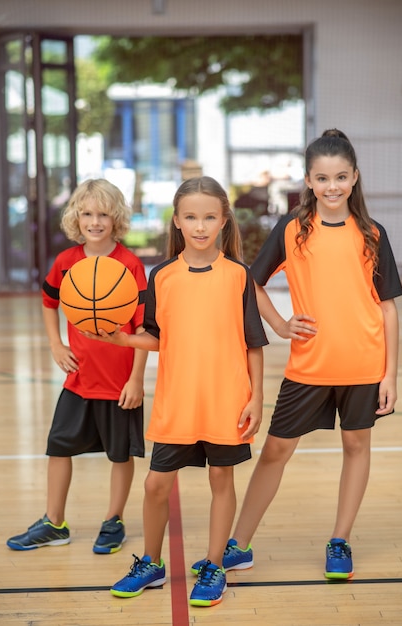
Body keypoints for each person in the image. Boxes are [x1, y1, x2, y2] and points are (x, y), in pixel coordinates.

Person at [214, 129, 402, 580]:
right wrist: (280, 325)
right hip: (309, 366)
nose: (332, 186)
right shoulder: (293, 229)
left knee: (356, 446)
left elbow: (388, 308)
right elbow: (249, 280)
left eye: (341, 176)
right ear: (309, 181)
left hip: (364, 364)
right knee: (276, 450)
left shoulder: (372, 233)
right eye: (323, 178)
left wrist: (391, 373)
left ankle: (340, 540)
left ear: (355, 177)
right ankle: (238, 544)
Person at [86, 176, 268, 606]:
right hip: (177, 402)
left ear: (224, 220)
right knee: (155, 485)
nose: (200, 226)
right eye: (191, 217)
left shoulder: (238, 276)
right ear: (177, 221)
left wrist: (257, 397)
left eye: (209, 217)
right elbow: (157, 334)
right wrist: (126, 340)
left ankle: (213, 565)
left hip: (226, 399)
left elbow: (253, 343)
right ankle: (150, 563)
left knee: (221, 478)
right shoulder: (162, 275)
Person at [6, 178, 148, 554]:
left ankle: (113, 520)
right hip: (79, 377)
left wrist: (137, 379)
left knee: (120, 454)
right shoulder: (66, 262)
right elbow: (49, 301)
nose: (95, 221)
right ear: (76, 218)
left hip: (119, 381)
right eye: (87, 213)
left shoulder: (129, 265)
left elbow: (143, 328)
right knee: (58, 447)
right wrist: (56, 343)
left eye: (103, 214)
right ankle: (54, 522)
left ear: (115, 217)